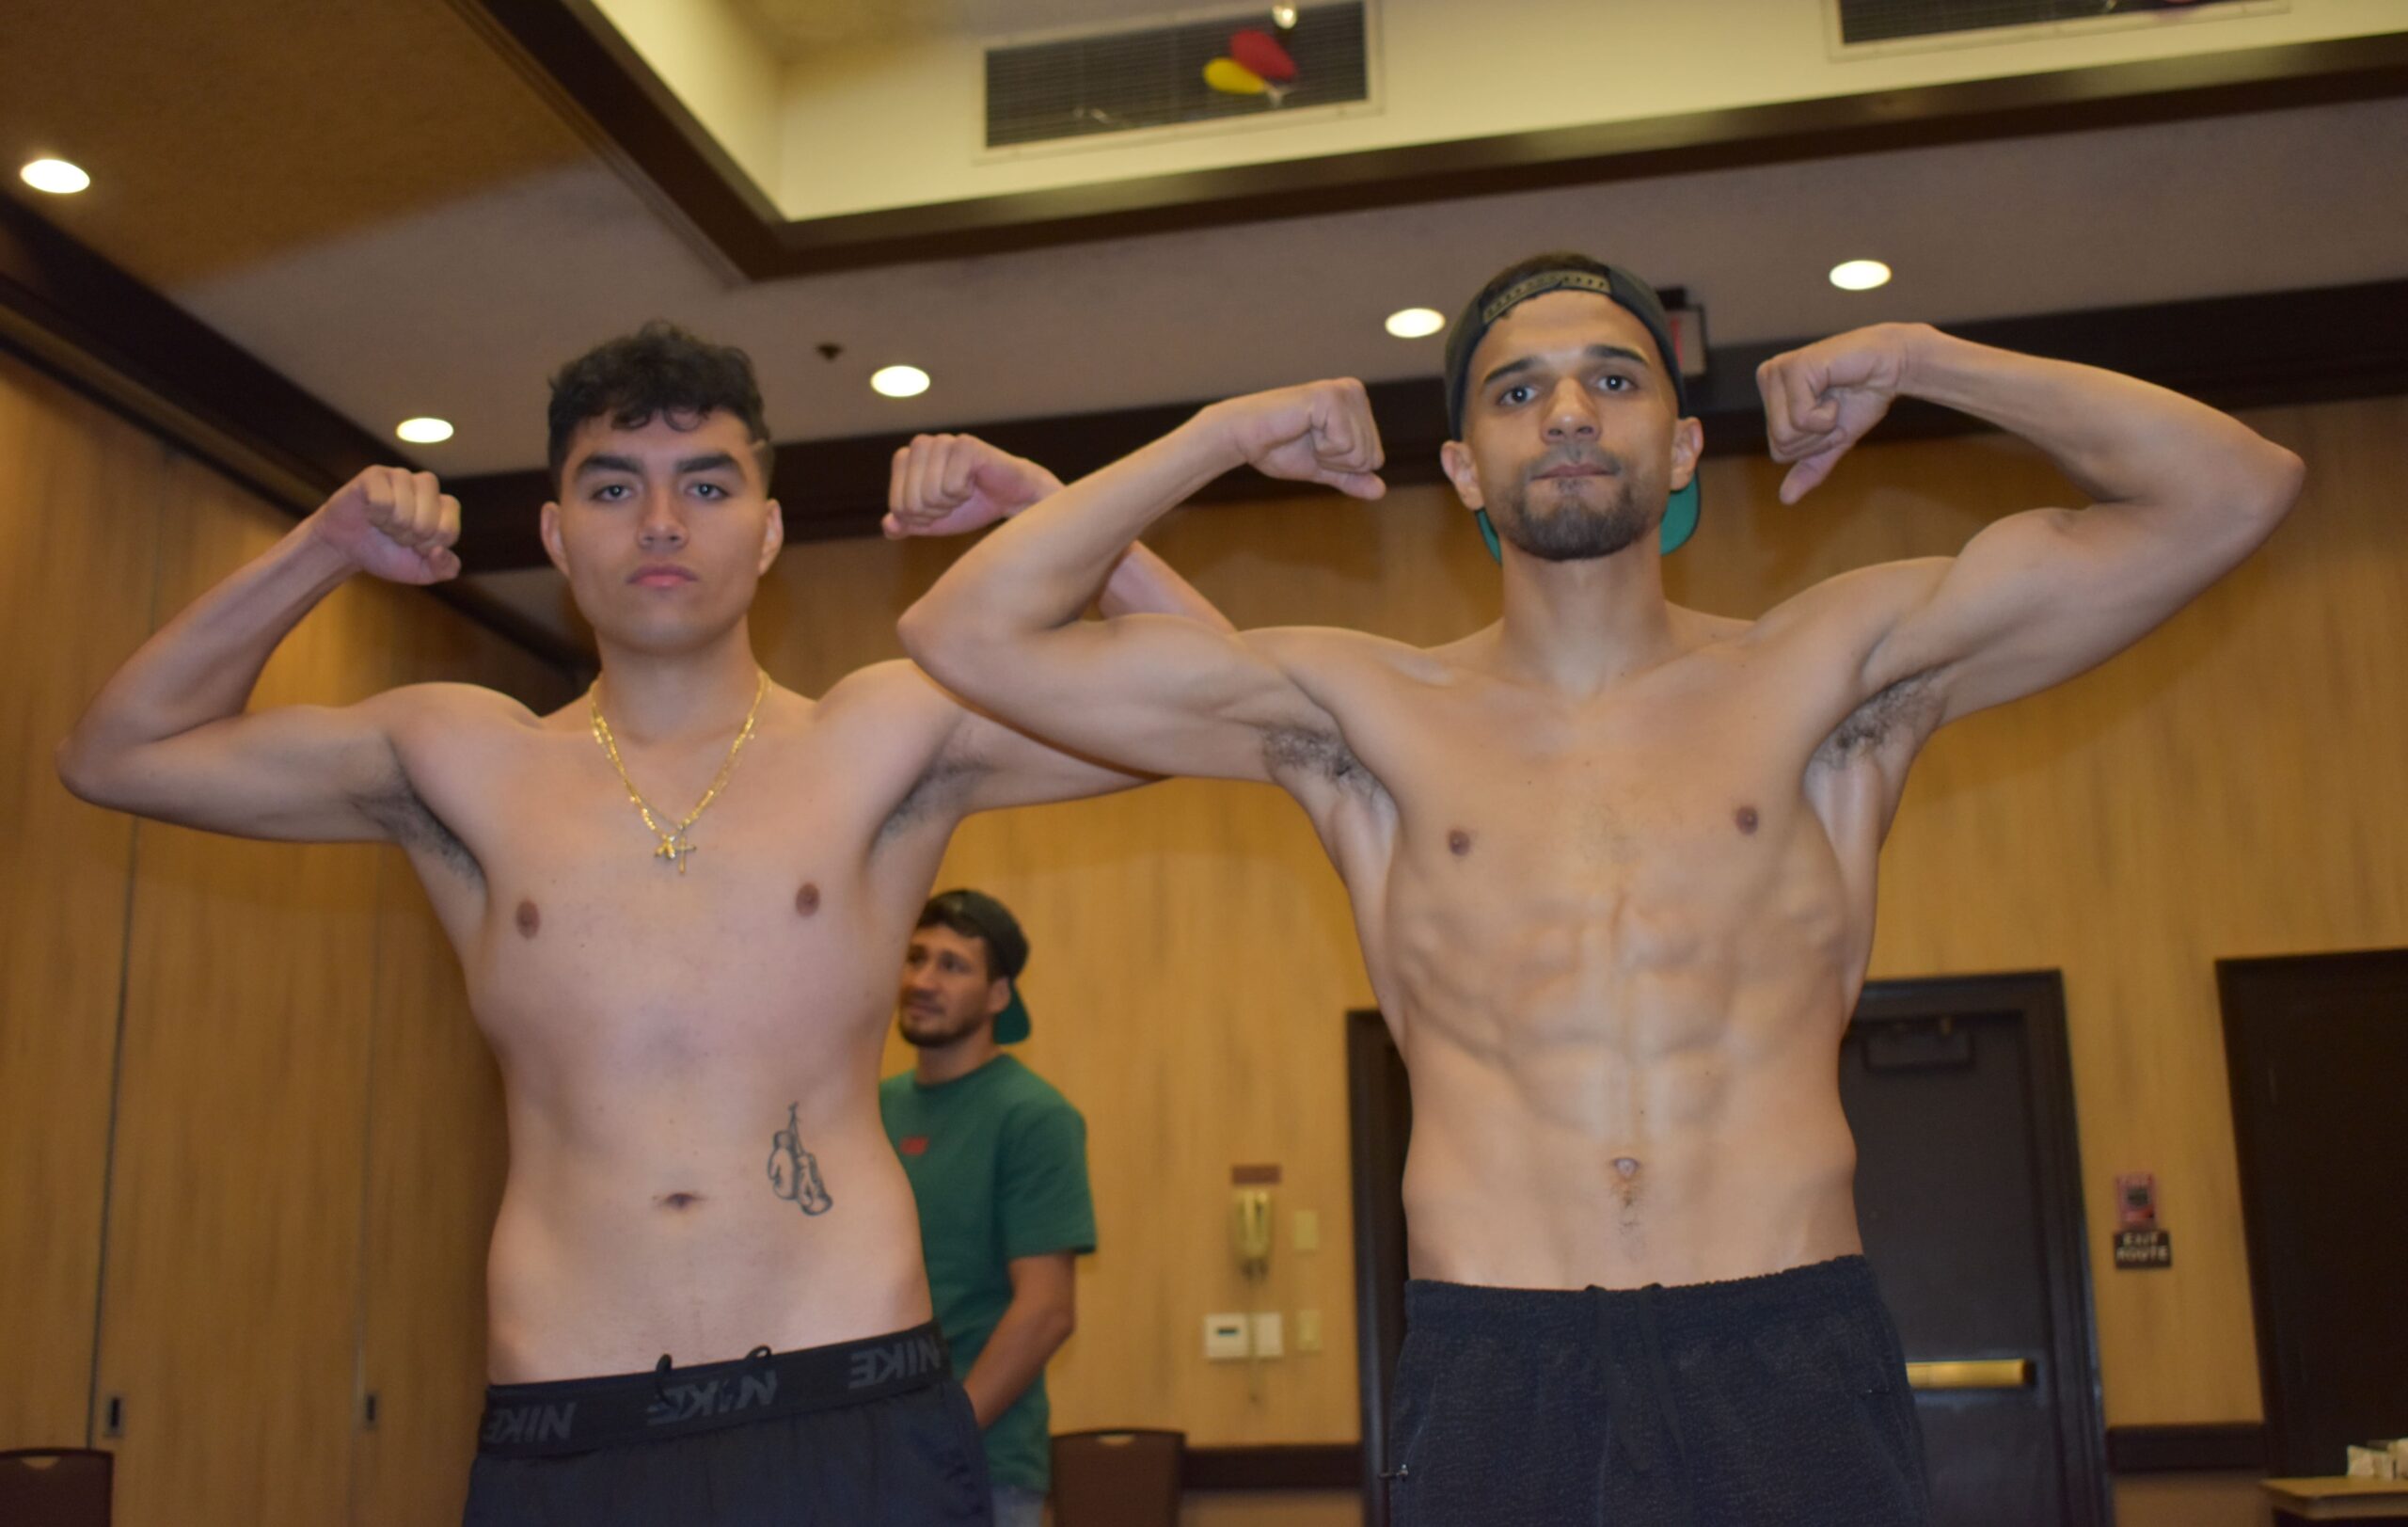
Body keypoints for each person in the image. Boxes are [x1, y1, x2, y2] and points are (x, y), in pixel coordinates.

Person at [894, 253, 2305, 1524]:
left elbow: (2233, 486)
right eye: (1519, 390)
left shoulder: (1831, 674)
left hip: (1790, 1350)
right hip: (1503, 1362)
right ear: (1460, 463)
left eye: (1612, 379)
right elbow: (964, 627)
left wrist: (1928, 358)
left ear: (1682, 441)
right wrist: (1216, 438)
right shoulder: (1362, 716)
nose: (1567, 412)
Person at [55, 323, 1222, 1525]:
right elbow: (117, 754)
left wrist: (1041, 508)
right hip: (575, 1424)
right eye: (614, 487)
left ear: (766, 531)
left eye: (706, 485)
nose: (661, 522)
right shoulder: (461, 760)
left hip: (850, 1397)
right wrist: (322, 548)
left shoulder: (885, 739)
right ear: (558, 535)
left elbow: (1220, 692)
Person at [883, 889, 1096, 1527]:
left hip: (981, 1464)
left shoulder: (1033, 1115)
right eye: (916, 956)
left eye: (952, 965)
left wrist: (944, 1435)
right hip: (869, 1459)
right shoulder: (867, 1110)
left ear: (999, 994)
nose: (923, 979)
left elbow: (1047, 1310)